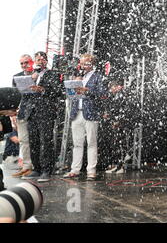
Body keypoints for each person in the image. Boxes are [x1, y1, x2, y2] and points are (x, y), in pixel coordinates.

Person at [22, 52, 64, 182]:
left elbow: (58, 91)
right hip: (32, 112)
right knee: (33, 141)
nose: (39, 61)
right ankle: (37, 168)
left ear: (46, 61)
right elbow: (25, 94)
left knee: (46, 141)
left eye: (42, 59)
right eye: (37, 59)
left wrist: (43, 90)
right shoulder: (30, 75)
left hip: (46, 111)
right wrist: (30, 82)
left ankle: (47, 170)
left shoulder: (53, 74)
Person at [64, 54, 107, 181]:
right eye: (81, 63)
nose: (82, 66)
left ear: (91, 63)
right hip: (76, 112)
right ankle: (75, 169)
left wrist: (86, 91)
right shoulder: (79, 77)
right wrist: (72, 86)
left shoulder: (98, 76)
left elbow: (103, 94)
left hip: (91, 112)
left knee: (91, 143)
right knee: (77, 143)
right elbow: (70, 94)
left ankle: (91, 171)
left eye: (85, 63)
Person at [103, 78, 140, 174]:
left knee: (121, 145)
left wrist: (119, 120)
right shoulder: (117, 96)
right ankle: (118, 165)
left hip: (124, 124)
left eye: (112, 88)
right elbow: (116, 109)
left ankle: (121, 166)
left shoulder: (124, 95)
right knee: (117, 145)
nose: (111, 91)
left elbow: (125, 109)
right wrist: (111, 117)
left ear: (116, 87)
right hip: (119, 123)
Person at [11, 55, 34, 178]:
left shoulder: (37, 74)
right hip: (22, 112)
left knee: (36, 140)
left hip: (37, 112)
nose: (24, 65)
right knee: (24, 140)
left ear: (32, 62)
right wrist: (13, 113)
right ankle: (26, 166)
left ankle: (36, 166)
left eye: (26, 62)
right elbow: (14, 96)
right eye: (22, 63)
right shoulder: (17, 76)